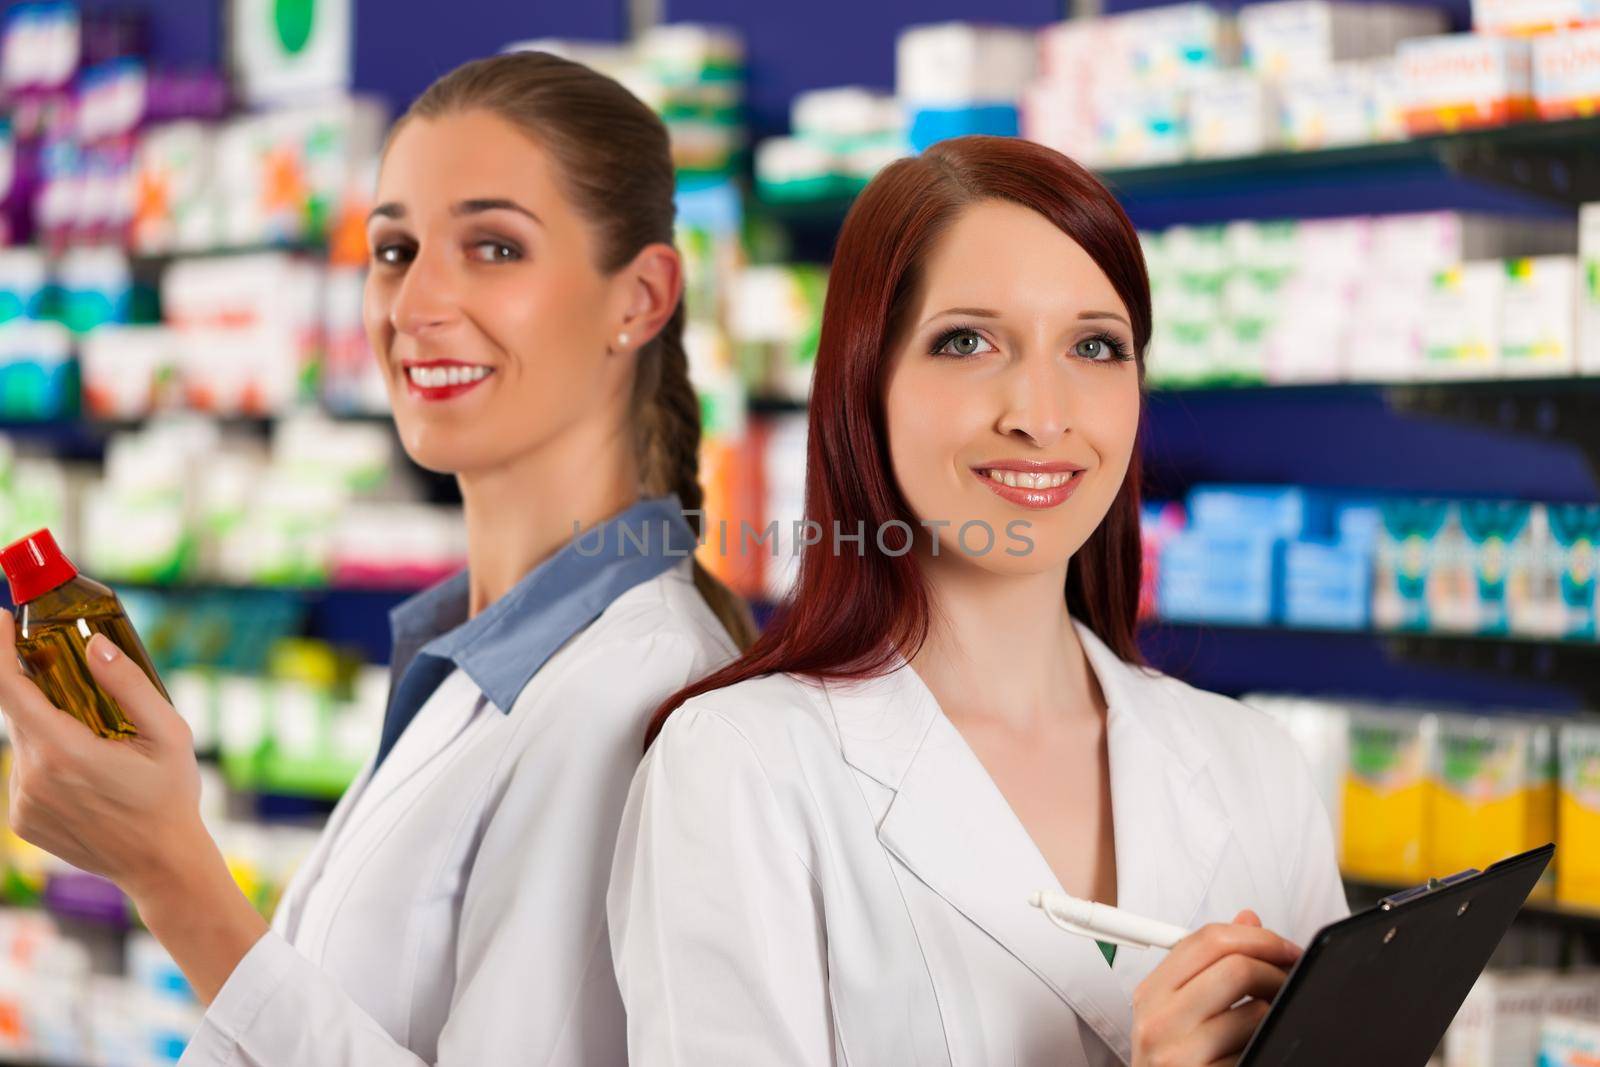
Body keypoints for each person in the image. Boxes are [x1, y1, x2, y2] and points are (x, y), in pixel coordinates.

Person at [0, 50, 750, 1066]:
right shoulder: (475, 656)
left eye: (492, 246)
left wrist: (174, 876)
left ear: (641, 295)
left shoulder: (635, 688)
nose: (415, 304)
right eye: (394, 249)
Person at [608, 135, 1348, 1067]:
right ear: (862, 383)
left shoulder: (1255, 767)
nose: (1041, 413)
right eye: (966, 341)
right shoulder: (741, 767)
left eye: (1095, 345)